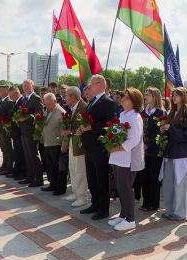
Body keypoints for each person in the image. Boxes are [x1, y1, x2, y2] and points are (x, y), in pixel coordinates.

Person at [78, 75, 117, 220]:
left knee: (101, 178)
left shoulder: (108, 102)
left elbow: (110, 123)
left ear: (100, 85)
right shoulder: (91, 102)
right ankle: (95, 203)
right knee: (91, 177)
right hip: (89, 145)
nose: (89, 87)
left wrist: (91, 127)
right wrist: (82, 128)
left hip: (99, 146)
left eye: (91, 84)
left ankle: (103, 209)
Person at [107, 88, 145, 231]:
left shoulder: (135, 117)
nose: (122, 99)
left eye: (126, 98)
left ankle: (130, 219)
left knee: (126, 189)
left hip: (127, 159)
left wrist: (117, 147)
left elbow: (134, 139)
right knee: (120, 188)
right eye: (123, 97)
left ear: (134, 101)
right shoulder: (123, 114)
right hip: (118, 157)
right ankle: (123, 215)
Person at [159, 87, 187, 221]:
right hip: (170, 152)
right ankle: (169, 210)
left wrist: (171, 129)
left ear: (183, 97)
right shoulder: (172, 112)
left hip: (181, 154)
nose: (174, 98)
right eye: (173, 95)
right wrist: (164, 129)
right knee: (168, 184)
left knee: (180, 185)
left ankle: (180, 213)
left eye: (177, 95)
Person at [138, 87, 166, 212]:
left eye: (147, 94)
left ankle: (154, 203)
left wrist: (149, 144)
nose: (145, 97)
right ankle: (145, 202)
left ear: (154, 97)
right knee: (144, 177)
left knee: (154, 177)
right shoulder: (143, 113)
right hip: (142, 150)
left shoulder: (161, 113)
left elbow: (162, 134)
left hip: (155, 151)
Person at [62, 86, 90, 207]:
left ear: (73, 97)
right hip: (73, 143)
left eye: (66, 95)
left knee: (80, 171)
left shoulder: (83, 107)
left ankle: (82, 197)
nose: (65, 97)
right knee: (72, 169)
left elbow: (84, 125)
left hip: (80, 145)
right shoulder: (73, 108)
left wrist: (70, 131)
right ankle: (76, 192)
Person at [18, 79, 44, 187]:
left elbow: (40, 115)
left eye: (28, 86)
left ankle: (39, 179)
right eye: (24, 86)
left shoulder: (36, 98)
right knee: (27, 156)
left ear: (33, 87)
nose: (26, 87)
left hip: (32, 132)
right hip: (24, 131)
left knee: (33, 156)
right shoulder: (24, 99)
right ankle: (29, 177)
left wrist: (27, 118)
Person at [40, 93, 66, 195]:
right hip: (47, 143)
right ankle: (52, 184)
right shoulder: (47, 111)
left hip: (56, 144)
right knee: (50, 167)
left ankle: (60, 188)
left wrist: (63, 145)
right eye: (45, 104)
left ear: (55, 102)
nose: (46, 106)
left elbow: (64, 130)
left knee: (58, 168)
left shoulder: (61, 112)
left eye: (48, 104)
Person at [0, 85, 14, 177]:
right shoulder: (2, 101)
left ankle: (9, 167)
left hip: (5, 129)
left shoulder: (8, 101)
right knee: (3, 148)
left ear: (6, 91)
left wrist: (0, 119)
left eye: (0, 90)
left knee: (8, 149)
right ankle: (4, 165)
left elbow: (9, 116)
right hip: (0, 128)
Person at [8, 86, 26, 181]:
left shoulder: (22, 101)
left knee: (21, 153)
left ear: (16, 93)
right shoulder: (15, 102)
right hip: (15, 132)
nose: (10, 98)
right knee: (17, 152)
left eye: (11, 95)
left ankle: (22, 173)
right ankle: (17, 171)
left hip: (20, 132)